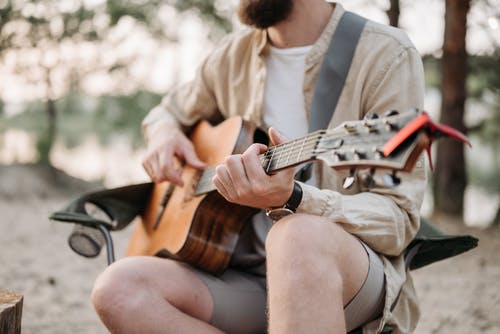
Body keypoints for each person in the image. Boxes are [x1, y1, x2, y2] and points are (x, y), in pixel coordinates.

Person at [91, 0, 426, 333]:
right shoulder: (232, 55)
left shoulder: (385, 54)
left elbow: (398, 220)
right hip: (243, 276)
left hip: (345, 280)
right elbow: (167, 112)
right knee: (118, 290)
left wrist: (295, 198)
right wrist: (164, 134)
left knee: (296, 235)